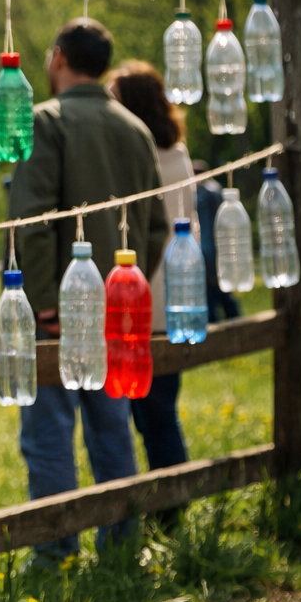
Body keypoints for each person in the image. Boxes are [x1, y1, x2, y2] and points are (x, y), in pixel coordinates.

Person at [10, 18, 168, 564]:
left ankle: (54, 550)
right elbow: (156, 227)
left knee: (49, 429)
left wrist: (45, 301)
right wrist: (128, 292)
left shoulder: (47, 122)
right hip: (116, 312)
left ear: (57, 57)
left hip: (58, 310)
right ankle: (122, 545)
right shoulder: (136, 130)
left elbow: (32, 221)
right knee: (111, 426)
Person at [106, 60, 193, 477]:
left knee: (152, 416)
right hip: (173, 299)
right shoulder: (178, 153)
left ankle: (169, 508)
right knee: (158, 413)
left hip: (144, 302)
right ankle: (168, 507)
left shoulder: (141, 158)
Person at [192, 159, 241, 323]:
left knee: (213, 296)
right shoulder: (216, 190)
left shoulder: (203, 193)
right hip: (219, 251)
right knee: (224, 293)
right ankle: (235, 323)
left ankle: (222, 325)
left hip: (208, 252)